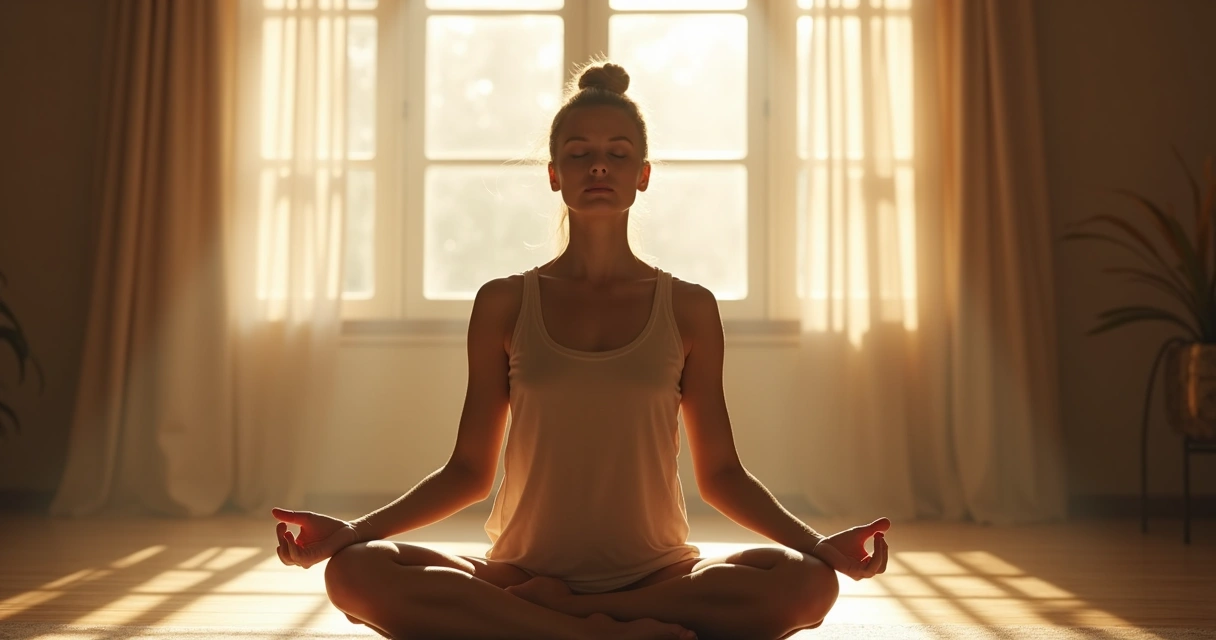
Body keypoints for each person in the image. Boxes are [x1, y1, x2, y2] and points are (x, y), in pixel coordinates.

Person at [272, 60, 890, 640]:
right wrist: (350, 533)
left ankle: (551, 623)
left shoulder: (690, 307)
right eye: (580, 154)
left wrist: (820, 544)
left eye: (618, 154)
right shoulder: (504, 303)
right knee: (354, 570)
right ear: (553, 174)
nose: (599, 166)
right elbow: (468, 472)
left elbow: (722, 475)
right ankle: (590, 634)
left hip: (656, 576)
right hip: (519, 570)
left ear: (642, 176)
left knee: (806, 582)